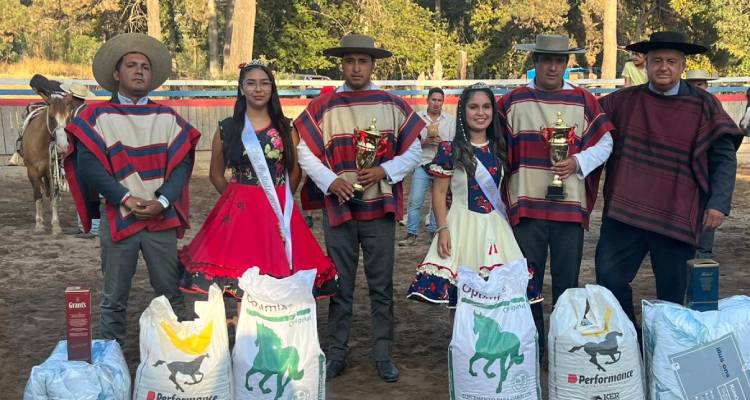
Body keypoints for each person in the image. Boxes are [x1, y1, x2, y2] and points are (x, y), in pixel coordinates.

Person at [294, 34, 424, 383]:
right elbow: (304, 149)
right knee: (340, 284)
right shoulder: (325, 105)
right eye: (350, 60)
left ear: (372, 64)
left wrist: (385, 170)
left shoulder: (392, 104)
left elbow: (414, 149)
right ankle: (337, 352)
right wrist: (329, 180)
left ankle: (383, 354)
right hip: (338, 207)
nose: (356, 67)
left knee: (381, 285)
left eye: (362, 61)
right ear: (342, 64)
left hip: (379, 207)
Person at [596, 31, 742, 328]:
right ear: (645, 65)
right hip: (626, 212)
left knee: (673, 293)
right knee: (608, 277)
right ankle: (628, 337)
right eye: (657, 61)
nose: (664, 67)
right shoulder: (621, 103)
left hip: (677, 212)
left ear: (682, 66)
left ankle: (663, 346)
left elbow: (724, 157)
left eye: (671, 62)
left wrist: (718, 204)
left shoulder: (703, 105)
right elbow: (584, 123)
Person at [63, 33, 201, 345]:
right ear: (116, 74)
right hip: (118, 217)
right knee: (114, 298)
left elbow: (181, 165)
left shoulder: (167, 116)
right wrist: (125, 198)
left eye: (145, 67)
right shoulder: (95, 116)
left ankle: (176, 355)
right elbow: (88, 167)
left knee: (170, 293)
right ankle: (114, 362)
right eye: (131, 65)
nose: (139, 71)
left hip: (160, 216)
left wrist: (163, 201)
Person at [178, 60, 337, 301]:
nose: (258, 89)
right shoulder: (227, 128)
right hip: (239, 211)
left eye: (264, 83)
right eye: (251, 83)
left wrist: (282, 201)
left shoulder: (286, 127)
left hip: (278, 208)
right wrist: (236, 198)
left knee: (280, 272)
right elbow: (216, 174)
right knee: (243, 275)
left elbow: (295, 171)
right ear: (241, 88)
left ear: (272, 88)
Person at [497, 34, 615, 357]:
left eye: (559, 60)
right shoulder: (511, 102)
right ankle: (532, 347)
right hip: (526, 207)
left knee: (567, 284)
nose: (552, 66)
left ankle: (562, 348)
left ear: (566, 63)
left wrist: (578, 161)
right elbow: (488, 141)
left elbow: (606, 143)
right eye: (546, 60)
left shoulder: (583, 100)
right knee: (527, 284)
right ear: (534, 62)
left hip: (568, 209)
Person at [405, 83, 523, 313]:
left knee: (497, 294)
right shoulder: (450, 149)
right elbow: (439, 193)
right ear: (463, 111)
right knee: (460, 299)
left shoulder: (500, 149)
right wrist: (442, 230)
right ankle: (461, 346)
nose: (481, 113)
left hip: (495, 227)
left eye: (486, 107)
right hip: (461, 225)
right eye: (473, 107)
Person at [399, 87, 455, 246]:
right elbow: (409, 143)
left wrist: (442, 143)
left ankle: (434, 233)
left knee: (438, 201)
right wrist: (424, 143)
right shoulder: (418, 119)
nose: (436, 103)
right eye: (434, 100)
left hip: (441, 166)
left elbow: (453, 143)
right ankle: (411, 234)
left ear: (443, 102)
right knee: (415, 200)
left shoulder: (449, 121)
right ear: (427, 100)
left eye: (439, 100)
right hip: (422, 164)